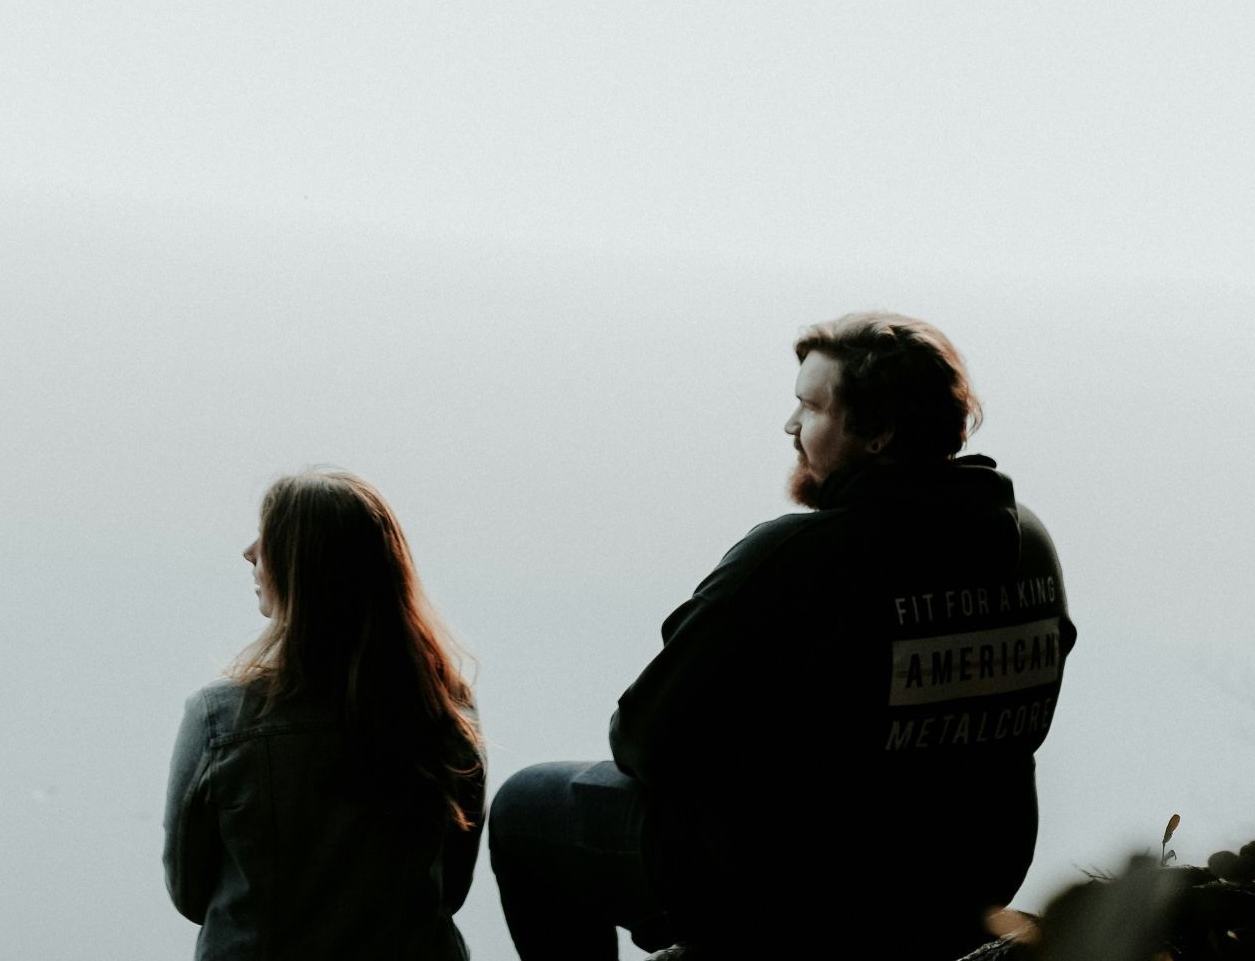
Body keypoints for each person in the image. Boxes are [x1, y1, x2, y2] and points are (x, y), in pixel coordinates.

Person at [489, 312, 1077, 960]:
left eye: (810, 406)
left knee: (524, 809)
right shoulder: (1030, 543)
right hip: (968, 879)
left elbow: (644, 739)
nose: (791, 426)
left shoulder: (799, 556)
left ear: (878, 431)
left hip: (813, 893)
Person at [163, 469, 486, 960]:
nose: (250, 551)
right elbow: (452, 889)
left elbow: (188, 893)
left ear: (304, 567)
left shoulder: (219, 717)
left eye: (268, 537)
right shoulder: (446, 707)